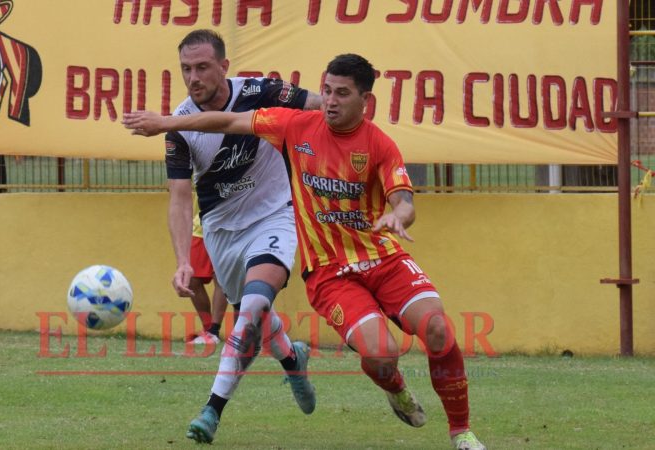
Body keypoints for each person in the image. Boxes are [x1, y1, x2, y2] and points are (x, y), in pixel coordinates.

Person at [123, 53, 486, 450]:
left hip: (384, 258)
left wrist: (399, 216)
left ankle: (461, 433)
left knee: (437, 328)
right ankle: (395, 387)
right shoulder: (295, 126)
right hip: (330, 273)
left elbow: (404, 201)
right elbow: (227, 121)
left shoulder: (380, 145)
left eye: (342, 94)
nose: (330, 100)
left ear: (366, 99)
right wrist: (165, 123)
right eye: (326, 90)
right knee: (382, 356)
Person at [149, 30, 323, 444]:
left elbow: (320, 107)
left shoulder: (262, 91)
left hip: (275, 216)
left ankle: (212, 410)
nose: (194, 77)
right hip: (221, 232)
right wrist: (183, 261)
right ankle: (291, 360)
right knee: (256, 314)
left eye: (203, 67)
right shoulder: (180, 125)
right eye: (186, 69)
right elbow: (179, 197)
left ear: (224, 66)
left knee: (255, 304)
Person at [185, 208, 227, 345]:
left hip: (226, 227)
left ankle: (213, 331)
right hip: (199, 227)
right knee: (191, 279)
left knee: (221, 278)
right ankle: (208, 329)